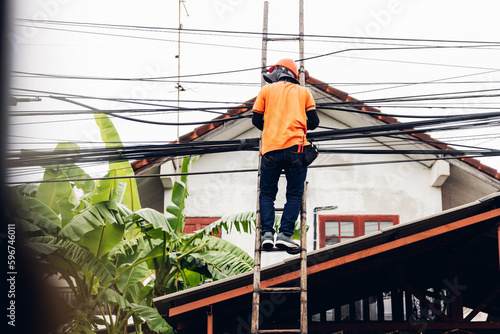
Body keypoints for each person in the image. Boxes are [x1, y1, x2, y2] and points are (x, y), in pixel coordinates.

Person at [252, 58, 320, 251]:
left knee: (266, 194)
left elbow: (256, 119)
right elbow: (314, 122)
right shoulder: (304, 92)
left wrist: (273, 127)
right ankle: (285, 235)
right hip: (297, 150)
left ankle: (267, 234)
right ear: (293, 75)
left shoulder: (265, 91)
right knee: (294, 195)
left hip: (271, 151)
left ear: (278, 73)